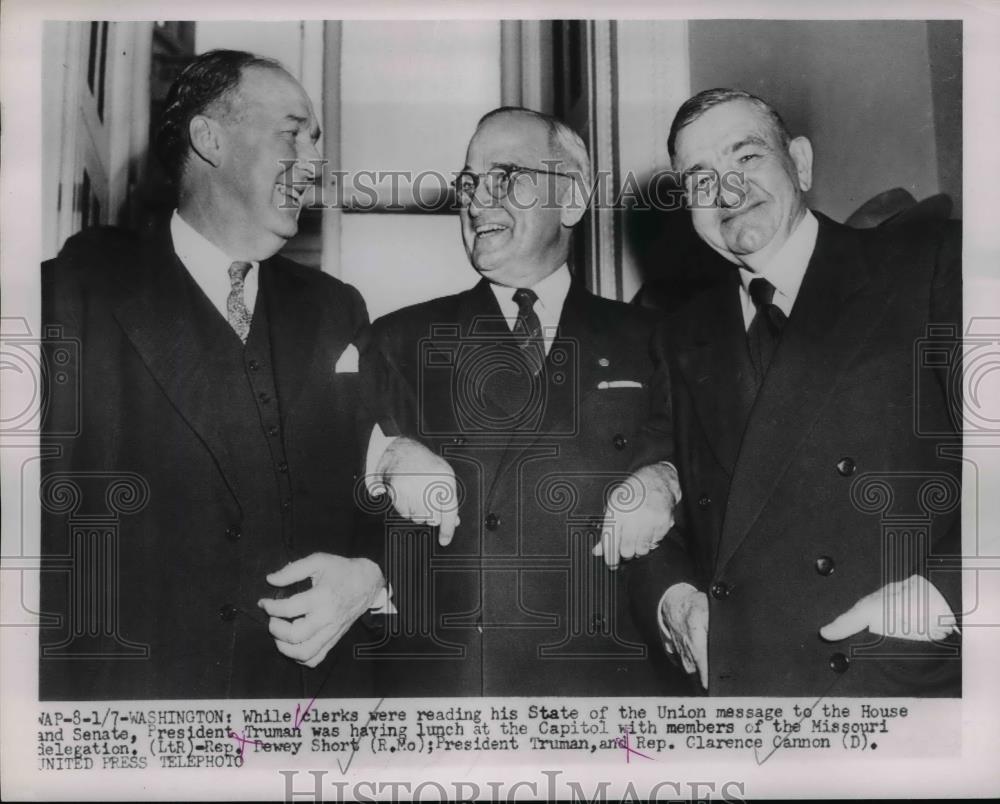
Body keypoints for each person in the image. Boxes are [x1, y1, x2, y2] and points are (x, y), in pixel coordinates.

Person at [40, 50, 385, 699]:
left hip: (303, 713)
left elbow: (382, 490)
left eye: (316, 141)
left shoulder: (338, 310)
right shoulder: (78, 291)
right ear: (209, 139)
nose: (314, 161)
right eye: (293, 133)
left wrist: (371, 574)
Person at [617, 88, 962, 696]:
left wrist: (947, 592)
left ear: (799, 162)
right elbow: (650, 500)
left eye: (746, 157)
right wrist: (673, 597)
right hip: (746, 688)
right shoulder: (679, 336)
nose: (727, 192)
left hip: (898, 675)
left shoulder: (929, 264)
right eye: (700, 179)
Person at [359, 107, 684, 696]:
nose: (477, 201)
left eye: (505, 177)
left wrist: (667, 476)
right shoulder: (399, 340)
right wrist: (385, 460)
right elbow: (330, 499)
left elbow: (707, 470)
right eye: (469, 183)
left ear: (573, 199)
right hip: (456, 689)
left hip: (606, 690)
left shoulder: (653, 340)